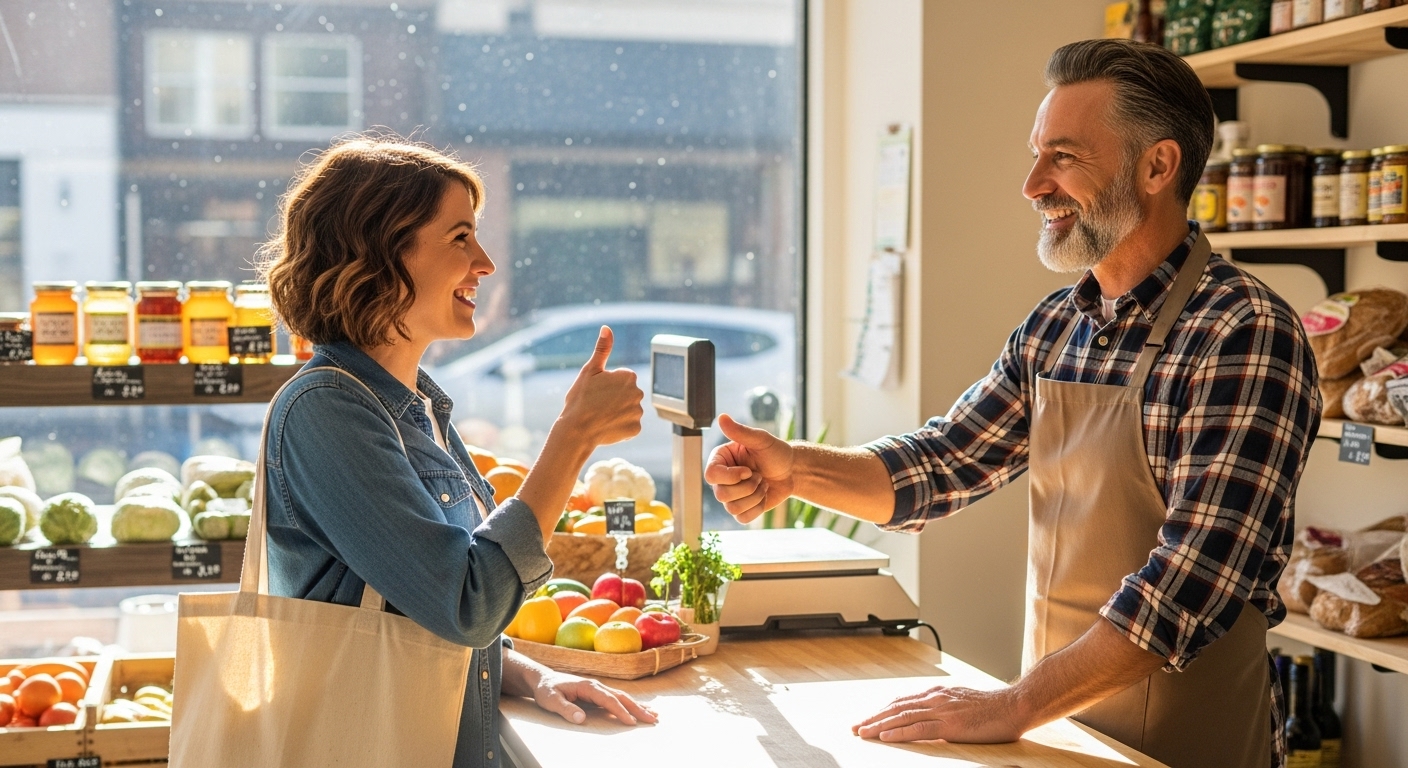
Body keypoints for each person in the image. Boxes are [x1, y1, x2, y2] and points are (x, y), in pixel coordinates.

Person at [705, 39, 1319, 768]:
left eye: (1063, 156)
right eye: (1036, 154)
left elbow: (1188, 585)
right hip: (1061, 734)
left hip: (1185, 746)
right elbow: (945, 462)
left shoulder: (1244, 334)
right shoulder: (1057, 325)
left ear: (1157, 167)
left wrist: (1011, 703)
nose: (1032, 185)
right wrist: (795, 471)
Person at [258, 135, 656, 768]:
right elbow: (467, 602)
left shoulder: (415, 406)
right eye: (460, 238)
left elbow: (415, 609)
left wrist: (528, 675)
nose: (486, 263)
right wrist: (573, 437)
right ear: (381, 251)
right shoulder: (327, 410)